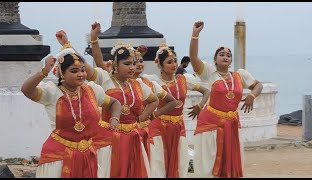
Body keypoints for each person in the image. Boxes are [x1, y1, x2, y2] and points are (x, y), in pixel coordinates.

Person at [21, 46, 122, 178]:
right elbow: (26, 90)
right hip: (59, 157)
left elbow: (115, 103)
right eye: (74, 71)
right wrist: (43, 72)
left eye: (83, 70)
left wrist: (115, 118)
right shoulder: (52, 92)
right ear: (62, 73)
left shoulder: (92, 91)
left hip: (88, 154)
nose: (81, 74)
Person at [189, 21, 263, 178]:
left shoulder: (239, 75)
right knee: (210, 160)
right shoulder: (209, 73)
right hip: (211, 124)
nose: (225, 57)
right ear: (215, 60)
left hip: (231, 124)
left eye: (228, 55)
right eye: (221, 54)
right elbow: (194, 57)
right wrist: (195, 34)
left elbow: (258, 85)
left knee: (230, 162)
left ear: (231, 61)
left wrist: (251, 96)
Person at [85, 22, 159, 178]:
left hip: (133, 137)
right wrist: (93, 39)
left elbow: (154, 101)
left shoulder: (138, 85)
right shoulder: (105, 80)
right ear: (115, 65)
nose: (132, 67)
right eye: (127, 64)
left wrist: (143, 116)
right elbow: (95, 64)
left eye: (133, 63)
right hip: (109, 139)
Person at [143, 44, 210, 178]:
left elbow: (207, 91)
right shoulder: (154, 82)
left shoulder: (184, 80)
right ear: (160, 65)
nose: (174, 64)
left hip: (179, 126)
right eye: (169, 62)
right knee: (158, 163)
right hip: (159, 126)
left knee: (181, 161)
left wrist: (200, 105)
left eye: (175, 61)